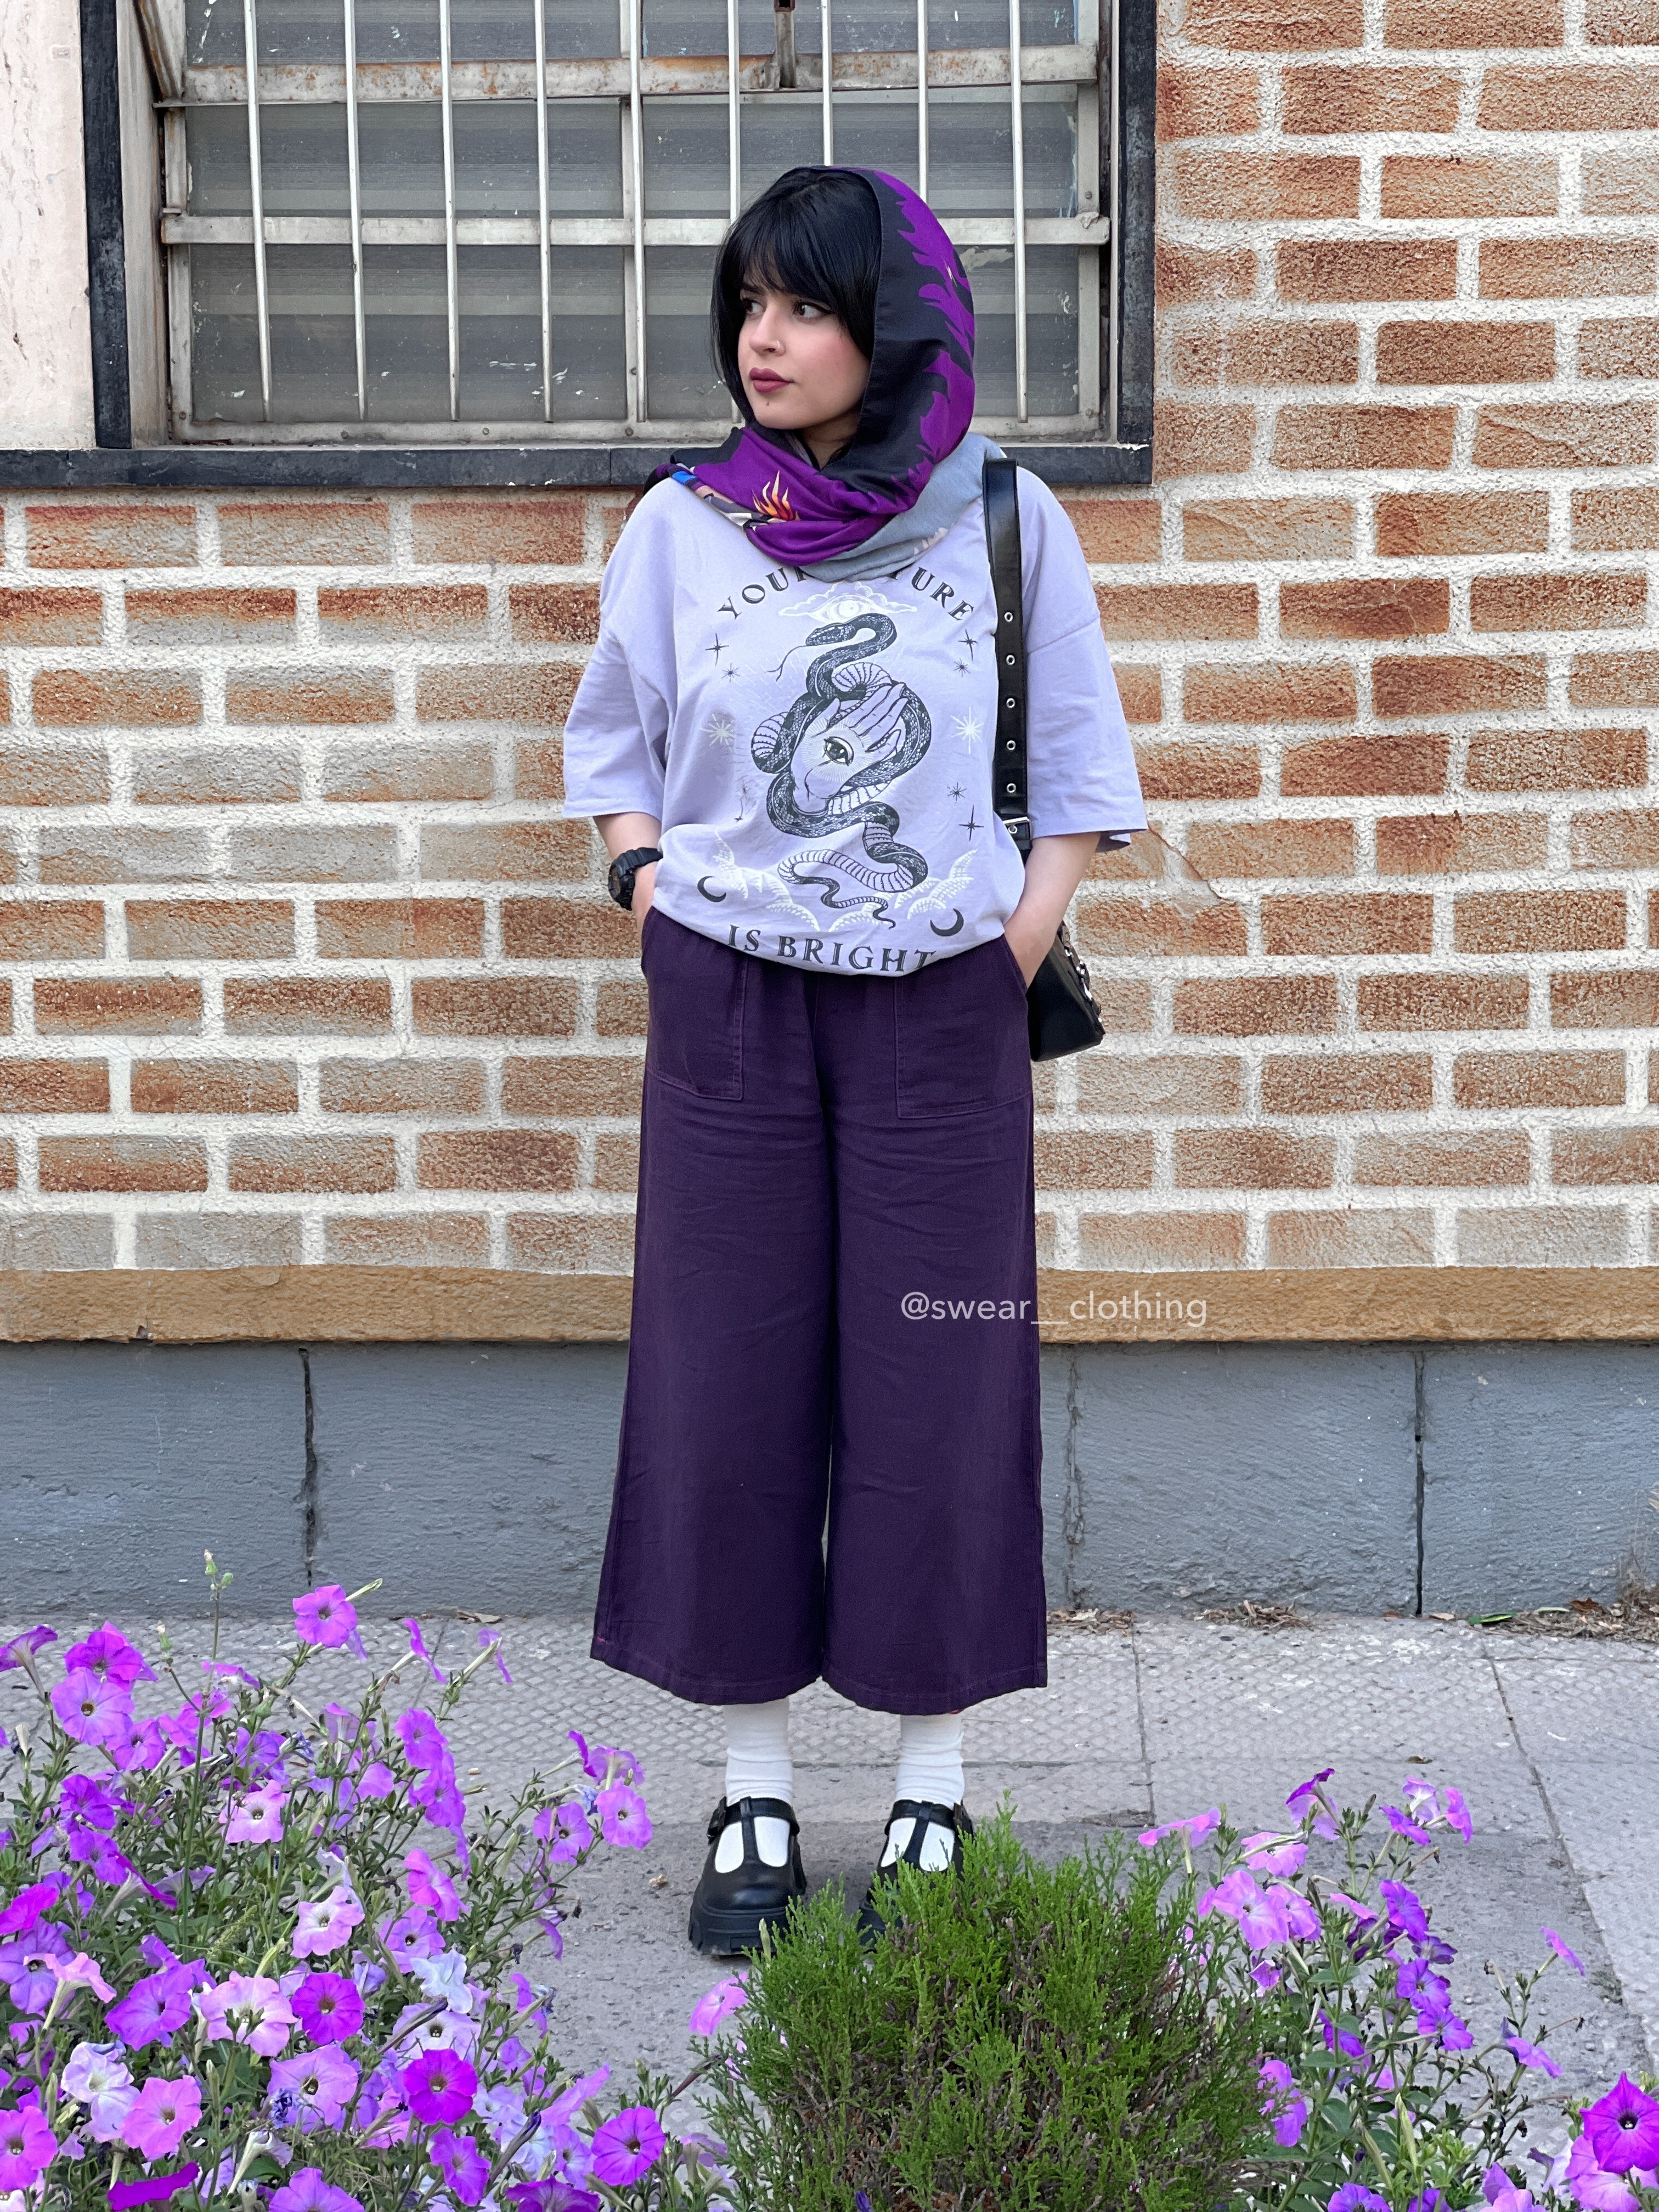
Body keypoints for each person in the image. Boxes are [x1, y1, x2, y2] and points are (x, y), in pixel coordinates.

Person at [561, 164, 1147, 1956]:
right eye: (749, 301)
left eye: (808, 305)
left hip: (935, 1021)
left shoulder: (1008, 518)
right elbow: (614, 739)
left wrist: (1009, 948)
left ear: (896, 327)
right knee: (725, 1388)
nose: (766, 337)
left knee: (936, 1390)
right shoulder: (684, 526)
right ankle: (750, 1790)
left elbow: (1082, 769)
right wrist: (648, 887)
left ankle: (930, 1795)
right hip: (729, 1011)